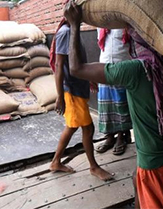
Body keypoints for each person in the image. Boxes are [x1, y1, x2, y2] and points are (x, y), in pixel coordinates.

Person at [64, 0, 163, 209]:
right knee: (136, 179)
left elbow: (76, 68)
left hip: (157, 165)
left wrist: (74, 25)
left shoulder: (134, 70)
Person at [48, 15, 114, 181]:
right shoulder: (65, 33)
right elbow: (59, 65)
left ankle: (56, 162)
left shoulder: (72, 31)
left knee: (73, 127)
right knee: (86, 128)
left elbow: (79, 62)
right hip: (71, 89)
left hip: (78, 87)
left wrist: (89, 79)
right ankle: (93, 167)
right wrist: (60, 96)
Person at [95, 28, 132, 155]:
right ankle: (110, 137)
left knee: (120, 105)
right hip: (104, 66)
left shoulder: (123, 24)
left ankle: (122, 137)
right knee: (106, 106)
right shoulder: (100, 26)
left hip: (122, 66)